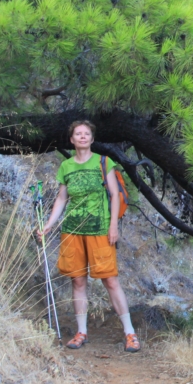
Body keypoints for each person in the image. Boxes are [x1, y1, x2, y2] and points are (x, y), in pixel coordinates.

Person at [40, 120, 140, 352]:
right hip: (72, 230)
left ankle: (130, 333)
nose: (83, 137)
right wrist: (48, 225)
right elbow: (62, 198)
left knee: (110, 280)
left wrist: (113, 226)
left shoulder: (104, 162)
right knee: (78, 280)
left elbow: (114, 195)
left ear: (92, 139)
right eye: (78, 134)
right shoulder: (66, 166)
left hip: (100, 229)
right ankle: (81, 332)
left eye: (86, 134)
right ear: (72, 139)